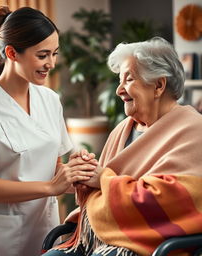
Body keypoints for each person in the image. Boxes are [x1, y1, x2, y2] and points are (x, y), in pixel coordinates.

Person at [0, 6, 97, 256]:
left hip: (44, 228)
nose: (51, 64)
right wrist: (49, 187)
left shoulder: (51, 100)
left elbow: (53, 170)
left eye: (54, 54)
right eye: (42, 55)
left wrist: (75, 173)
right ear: (12, 53)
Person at [43, 37, 202, 256]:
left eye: (128, 79)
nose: (119, 90)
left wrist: (102, 179)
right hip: (97, 239)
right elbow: (102, 187)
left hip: (148, 246)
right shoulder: (123, 129)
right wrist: (84, 172)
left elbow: (169, 200)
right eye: (120, 80)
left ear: (158, 85)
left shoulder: (193, 130)